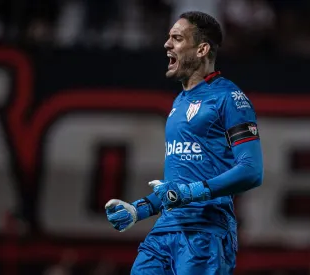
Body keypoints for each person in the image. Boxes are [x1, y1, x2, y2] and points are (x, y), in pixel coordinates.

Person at [105, 11, 264, 275]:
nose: (167, 44)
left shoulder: (231, 98)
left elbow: (252, 170)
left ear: (202, 49)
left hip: (205, 232)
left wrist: (190, 193)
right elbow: (177, 187)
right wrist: (138, 210)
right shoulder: (179, 102)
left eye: (177, 38)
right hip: (165, 233)